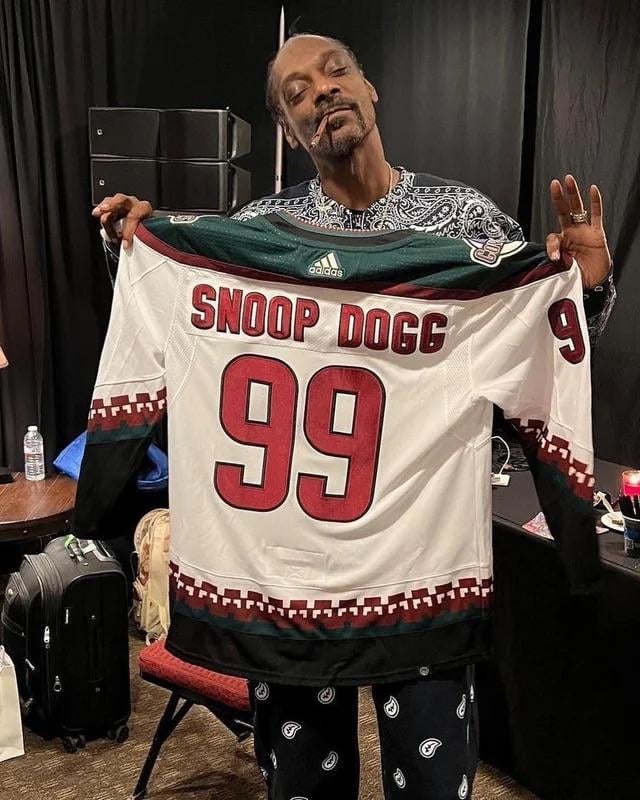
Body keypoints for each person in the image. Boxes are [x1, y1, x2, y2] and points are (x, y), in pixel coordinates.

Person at [92, 34, 614, 800]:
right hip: (286, 577)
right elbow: (180, 322)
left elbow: (536, 346)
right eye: (296, 90)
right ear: (286, 127)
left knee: (432, 785)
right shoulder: (256, 229)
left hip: (420, 564)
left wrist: (582, 286)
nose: (322, 91)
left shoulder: (465, 221)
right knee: (303, 785)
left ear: (370, 88)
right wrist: (139, 249)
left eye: (335, 72)